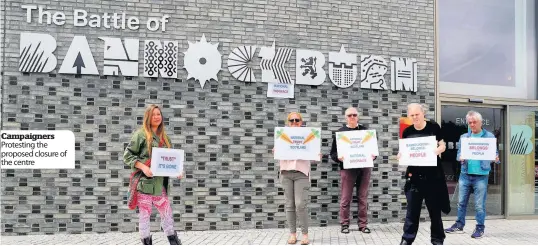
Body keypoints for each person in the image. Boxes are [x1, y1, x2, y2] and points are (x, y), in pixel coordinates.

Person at [124, 104, 183, 245]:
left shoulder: (165, 138)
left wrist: (178, 171)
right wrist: (143, 167)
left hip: (159, 185)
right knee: (145, 214)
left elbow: (170, 159)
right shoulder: (141, 135)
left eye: (159, 114)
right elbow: (127, 155)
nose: (157, 117)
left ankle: (173, 240)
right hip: (145, 184)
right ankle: (146, 241)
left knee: (167, 212)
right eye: (154, 114)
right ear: (148, 117)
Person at [398, 103, 450, 245]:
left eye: (417, 114)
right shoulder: (407, 131)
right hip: (414, 177)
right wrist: (400, 155)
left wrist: (438, 150)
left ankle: (438, 239)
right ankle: (407, 239)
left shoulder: (434, 127)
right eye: (412, 115)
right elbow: (404, 151)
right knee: (412, 212)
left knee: (435, 211)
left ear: (423, 114)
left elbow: (442, 145)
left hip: (433, 177)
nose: (415, 117)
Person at [444, 110, 500, 239]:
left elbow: (495, 154)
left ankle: (480, 228)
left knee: (479, 205)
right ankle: (459, 225)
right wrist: (460, 158)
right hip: (465, 174)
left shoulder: (489, 137)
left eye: (475, 122)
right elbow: (458, 154)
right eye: (470, 123)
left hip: (481, 175)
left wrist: (496, 158)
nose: (472, 125)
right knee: (461, 203)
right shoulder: (464, 137)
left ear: (480, 122)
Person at [274, 112, 322, 245]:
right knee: (289, 204)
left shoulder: (308, 136)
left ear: (301, 122)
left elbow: (314, 156)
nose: (294, 122)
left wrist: (317, 155)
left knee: (300, 204)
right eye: (291, 120)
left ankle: (305, 234)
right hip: (286, 173)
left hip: (301, 173)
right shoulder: (282, 136)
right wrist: (275, 151)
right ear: (288, 123)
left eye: (297, 120)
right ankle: (292, 234)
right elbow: (278, 152)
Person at [330, 107, 377, 234]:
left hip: (364, 168)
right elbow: (333, 153)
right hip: (347, 169)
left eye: (354, 115)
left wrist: (373, 156)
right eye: (349, 115)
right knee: (346, 198)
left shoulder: (366, 132)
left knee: (362, 197)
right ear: (346, 117)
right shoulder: (340, 133)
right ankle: (344, 224)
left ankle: (363, 225)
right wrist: (338, 158)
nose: (352, 117)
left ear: (358, 116)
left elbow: (373, 150)